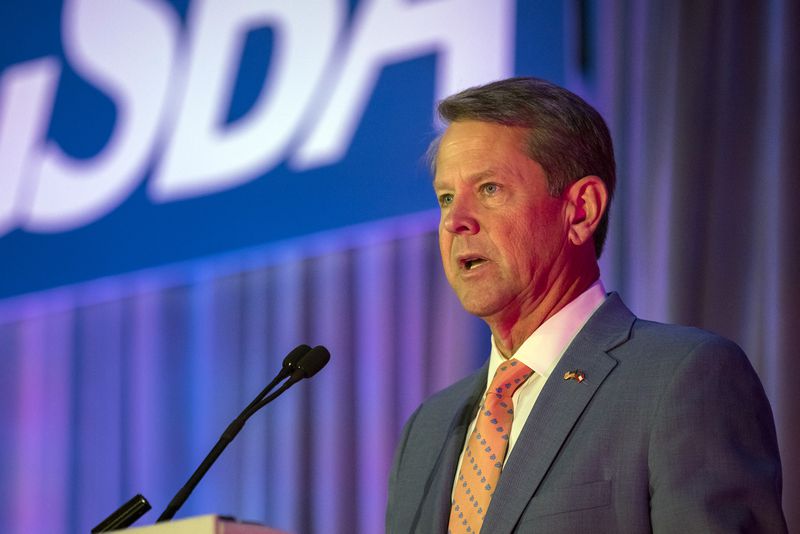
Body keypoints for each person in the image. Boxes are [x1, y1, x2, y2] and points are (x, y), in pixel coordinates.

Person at [385, 77, 786, 533]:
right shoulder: (429, 429)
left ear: (581, 210)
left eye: (490, 189)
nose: (455, 221)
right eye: (446, 198)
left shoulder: (681, 378)